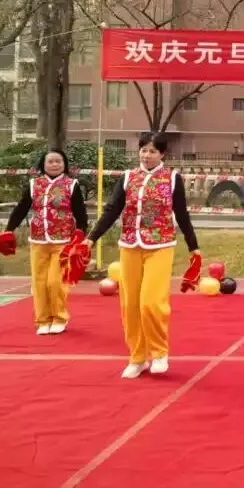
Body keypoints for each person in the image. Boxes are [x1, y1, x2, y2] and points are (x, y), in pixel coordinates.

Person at [82, 132, 200, 379]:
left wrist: (193, 247)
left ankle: (159, 352)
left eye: (152, 151)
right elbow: (112, 210)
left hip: (160, 245)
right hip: (130, 246)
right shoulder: (128, 178)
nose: (147, 155)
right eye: (143, 150)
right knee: (130, 305)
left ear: (162, 154)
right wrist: (91, 238)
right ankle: (138, 357)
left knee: (151, 302)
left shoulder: (172, 179)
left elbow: (182, 214)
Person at [0, 148, 88, 336]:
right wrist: (9, 229)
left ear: (64, 164)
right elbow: (22, 208)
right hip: (38, 240)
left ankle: (59, 318)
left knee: (55, 282)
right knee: (39, 283)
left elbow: (81, 213)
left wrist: (81, 234)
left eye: (58, 161)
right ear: (43, 164)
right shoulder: (34, 184)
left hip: (63, 241)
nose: (55, 164)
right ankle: (43, 320)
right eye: (51, 161)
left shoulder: (71, 185)